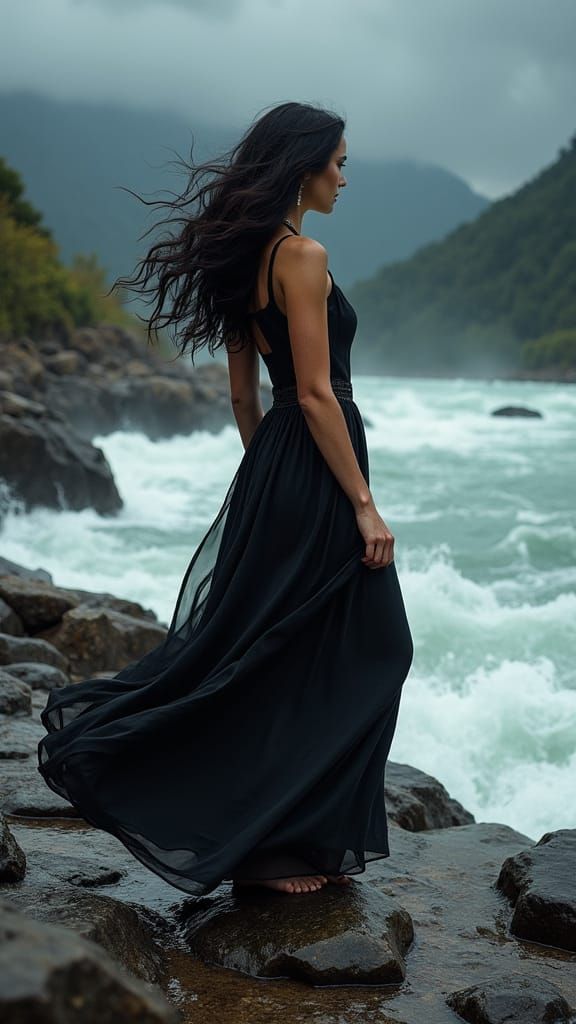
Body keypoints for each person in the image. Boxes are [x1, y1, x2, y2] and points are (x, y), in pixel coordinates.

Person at [37, 101, 414, 898]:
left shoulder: (244, 257)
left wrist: (272, 482)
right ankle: (277, 847)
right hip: (313, 464)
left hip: (275, 468)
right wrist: (360, 503)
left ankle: (276, 833)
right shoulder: (303, 256)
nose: (345, 177)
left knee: (276, 651)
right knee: (376, 645)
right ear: (304, 165)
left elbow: (249, 400)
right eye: (339, 162)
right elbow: (315, 395)